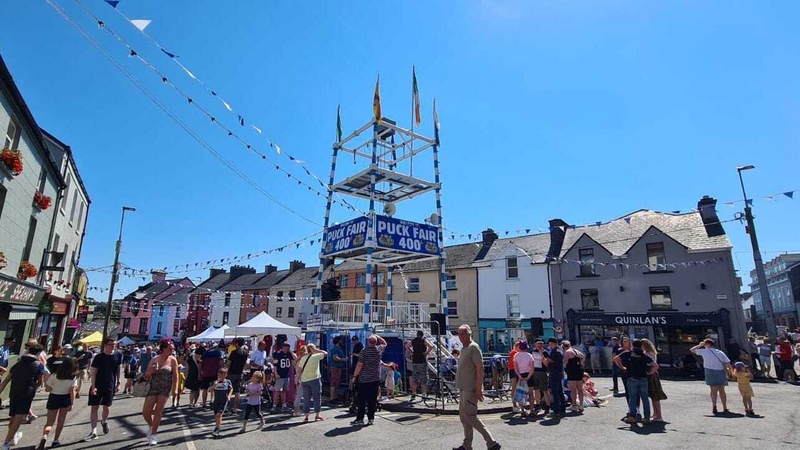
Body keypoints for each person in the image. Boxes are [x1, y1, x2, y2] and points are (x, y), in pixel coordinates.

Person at [452, 325, 501, 450]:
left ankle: (492, 442)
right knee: (464, 418)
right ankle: (467, 445)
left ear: (469, 334)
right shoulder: (464, 348)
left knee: (471, 417)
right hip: (463, 388)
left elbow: (480, 368)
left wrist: (479, 389)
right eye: (459, 334)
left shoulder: (474, 347)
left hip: (470, 389)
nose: (460, 336)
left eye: (463, 334)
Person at [0, 343, 46, 450]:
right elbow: (40, 382)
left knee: (13, 416)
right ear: (38, 353)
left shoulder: (17, 364)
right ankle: (6, 443)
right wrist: (33, 388)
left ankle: (11, 438)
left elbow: (6, 380)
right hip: (27, 393)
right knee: (19, 417)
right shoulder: (38, 365)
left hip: (14, 391)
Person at [142, 339, 179, 446]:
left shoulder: (173, 360)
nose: (172, 351)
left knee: (158, 412)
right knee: (146, 412)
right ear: (163, 349)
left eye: (173, 349)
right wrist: (151, 371)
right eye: (170, 349)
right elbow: (146, 376)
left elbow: (175, 376)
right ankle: (151, 425)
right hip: (153, 388)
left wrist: (175, 389)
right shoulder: (155, 359)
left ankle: (153, 434)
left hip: (165, 388)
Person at [37, 356, 78, 450]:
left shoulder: (55, 375)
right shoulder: (72, 377)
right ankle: (56, 440)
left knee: (49, 422)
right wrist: (72, 403)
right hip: (65, 398)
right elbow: (72, 391)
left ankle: (44, 437)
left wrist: (53, 388)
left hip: (54, 397)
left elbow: (47, 388)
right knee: (61, 421)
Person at [85, 338, 121, 441]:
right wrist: (93, 386)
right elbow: (93, 372)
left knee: (107, 406)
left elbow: (118, 369)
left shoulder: (118, 355)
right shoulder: (99, 357)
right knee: (94, 408)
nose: (113, 346)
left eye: (114, 344)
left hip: (110, 385)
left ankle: (104, 421)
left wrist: (118, 382)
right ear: (105, 345)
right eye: (111, 344)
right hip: (98, 385)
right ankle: (94, 431)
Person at [350, 334, 387, 427]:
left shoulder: (364, 352)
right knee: (372, 400)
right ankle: (371, 418)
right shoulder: (379, 350)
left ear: (368, 342)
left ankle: (360, 418)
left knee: (361, 399)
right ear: (375, 342)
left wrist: (354, 376)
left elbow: (359, 365)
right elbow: (384, 343)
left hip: (364, 379)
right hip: (375, 378)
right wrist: (377, 336)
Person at [617, 339, 656, 424]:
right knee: (645, 398)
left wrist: (622, 367)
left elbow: (616, 359)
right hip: (643, 378)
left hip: (632, 377)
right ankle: (646, 417)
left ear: (632, 345)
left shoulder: (628, 353)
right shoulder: (644, 355)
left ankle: (632, 416)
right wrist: (649, 372)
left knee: (633, 398)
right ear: (640, 346)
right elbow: (655, 366)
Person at [691, 338, 732, 415]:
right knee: (722, 390)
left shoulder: (705, 351)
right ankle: (725, 407)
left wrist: (700, 345)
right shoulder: (720, 352)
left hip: (709, 371)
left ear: (707, 344)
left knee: (713, 390)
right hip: (720, 371)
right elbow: (728, 364)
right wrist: (731, 373)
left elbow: (692, 350)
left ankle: (714, 405)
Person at [298, 343, 327, 422]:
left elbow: (299, 369)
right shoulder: (316, 356)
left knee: (306, 398)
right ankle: (317, 415)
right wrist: (316, 350)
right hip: (314, 379)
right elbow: (325, 353)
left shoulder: (303, 358)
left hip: (304, 380)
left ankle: (306, 416)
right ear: (312, 349)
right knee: (316, 397)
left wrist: (297, 379)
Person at [640, 338, 667, 422]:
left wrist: (649, 372)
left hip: (652, 375)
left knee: (655, 396)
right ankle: (655, 414)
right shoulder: (647, 353)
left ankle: (659, 415)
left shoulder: (650, 354)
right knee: (652, 396)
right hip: (650, 375)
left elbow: (653, 365)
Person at [406, 331, 433, 401]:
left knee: (415, 377)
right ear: (422, 335)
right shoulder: (423, 340)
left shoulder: (413, 341)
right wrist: (426, 353)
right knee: (423, 377)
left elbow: (407, 346)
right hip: (422, 360)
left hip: (415, 360)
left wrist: (412, 352)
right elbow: (431, 346)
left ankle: (414, 393)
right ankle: (423, 394)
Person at [542, 338, 565, 418]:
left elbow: (547, 362)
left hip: (554, 373)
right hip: (559, 373)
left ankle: (556, 410)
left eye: (550, 343)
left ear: (553, 343)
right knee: (560, 391)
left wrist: (542, 356)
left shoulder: (554, 352)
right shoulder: (560, 351)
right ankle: (563, 408)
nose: (549, 345)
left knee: (555, 392)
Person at [562, 340, 585, 414]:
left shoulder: (567, 352)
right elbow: (583, 356)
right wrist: (580, 362)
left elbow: (565, 362)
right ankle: (581, 405)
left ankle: (574, 405)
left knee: (573, 390)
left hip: (572, 371)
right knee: (580, 389)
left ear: (563, 347)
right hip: (579, 370)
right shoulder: (575, 350)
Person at [272, 342, 296, 413]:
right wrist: (276, 373)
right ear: (282, 347)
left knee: (284, 391)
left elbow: (296, 358)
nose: (286, 349)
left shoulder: (289, 354)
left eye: (287, 348)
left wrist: (291, 352)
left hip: (286, 375)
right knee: (277, 391)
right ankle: (274, 406)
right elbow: (275, 365)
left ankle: (284, 405)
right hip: (280, 375)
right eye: (285, 348)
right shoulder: (278, 354)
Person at [512, 341, 534, 417]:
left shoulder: (516, 355)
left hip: (520, 375)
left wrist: (519, 376)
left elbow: (515, 368)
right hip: (529, 374)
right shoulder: (529, 355)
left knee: (520, 393)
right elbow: (532, 368)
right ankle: (531, 410)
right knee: (531, 393)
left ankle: (522, 410)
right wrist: (528, 376)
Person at [200, 343, 225, 409]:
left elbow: (201, 363)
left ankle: (204, 404)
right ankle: (213, 401)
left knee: (205, 389)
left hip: (206, 373)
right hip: (215, 373)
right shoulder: (218, 353)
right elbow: (221, 363)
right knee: (214, 387)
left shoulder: (204, 353)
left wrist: (201, 372)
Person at [227, 338, 248, 413]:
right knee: (237, 391)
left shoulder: (234, 352)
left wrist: (226, 370)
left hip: (232, 373)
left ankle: (226, 406)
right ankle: (235, 408)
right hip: (240, 373)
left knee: (228, 389)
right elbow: (245, 364)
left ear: (237, 344)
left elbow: (229, 363)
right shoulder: (245, 353)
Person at [530, 340, 551, 416]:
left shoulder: (545, 352)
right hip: (534, 372)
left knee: (545, 390)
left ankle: (548, 406)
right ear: (535, 344)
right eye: (538, 343)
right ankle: (538, 404)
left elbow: (546, 364)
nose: (539, 345)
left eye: (541, 344)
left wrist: (541, 354)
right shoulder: (532, 351)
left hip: (542, 372)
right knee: (536, 389)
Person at [210, 368, 232, 437]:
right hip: (216, 401)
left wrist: (229, 395)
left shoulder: (227, 382)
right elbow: (209, 390)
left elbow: (231, 388)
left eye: (221, 376)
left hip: (223, 400)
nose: (219, 377)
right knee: (216, 415)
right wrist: (214, 385)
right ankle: (217, 425)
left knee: (219, 414)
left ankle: (217, 428)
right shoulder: (215, 382)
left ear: (225, 375)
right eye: (218, 375)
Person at [328, 337, 347, 403]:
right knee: (334, 382)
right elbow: (335, 358)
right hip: (335, 367)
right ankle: (332, 397)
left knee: (336, 382)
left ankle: (335, 397)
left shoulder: (338, 348)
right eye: (341, 341)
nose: (342, 342)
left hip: (338, 367)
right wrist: (343, 359)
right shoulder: (334, 349)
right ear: (338, 341)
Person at [0, 336, 14, 410]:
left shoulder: (7, 349)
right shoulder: (1, 349)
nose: (13, 343)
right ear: (7, 341)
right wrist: (3, 369)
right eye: (12, 341)